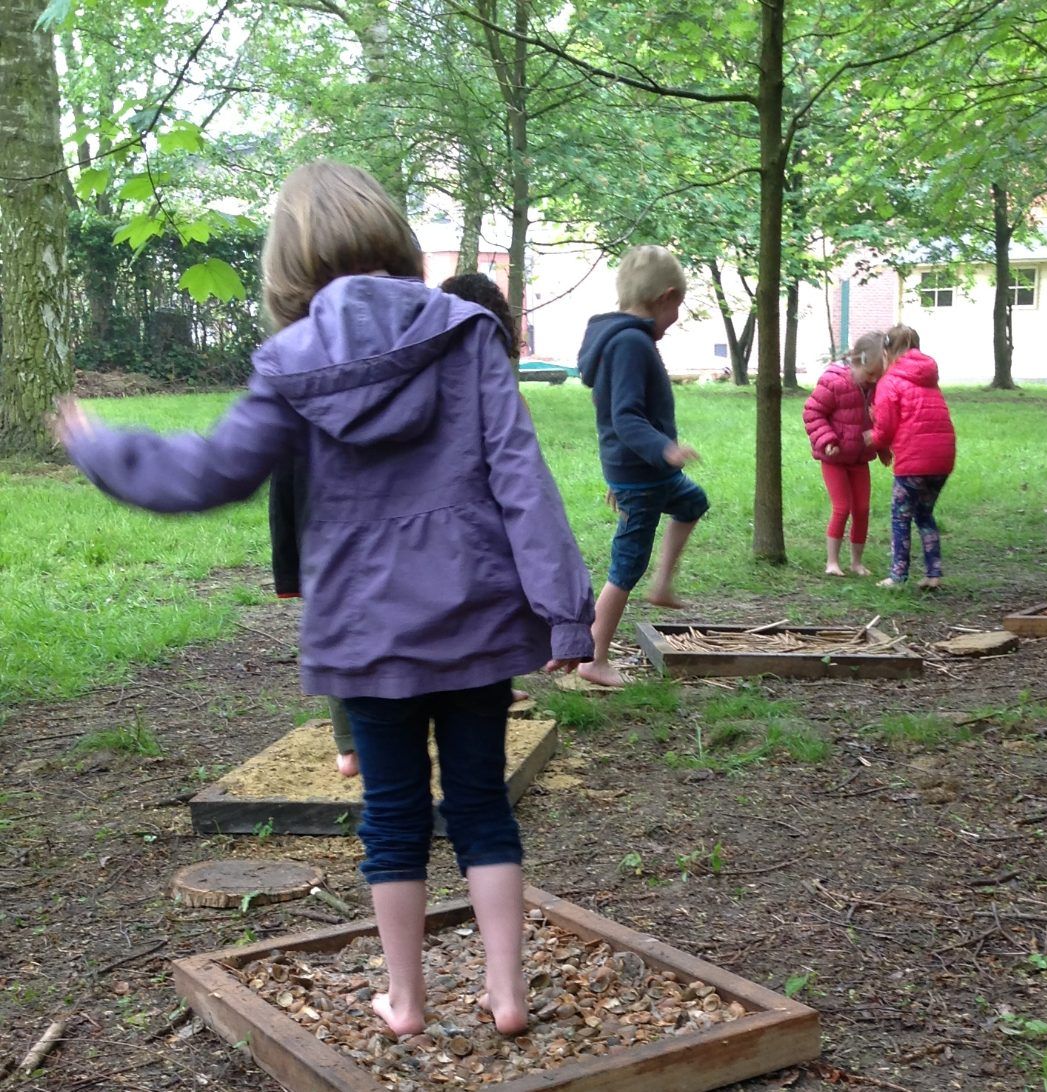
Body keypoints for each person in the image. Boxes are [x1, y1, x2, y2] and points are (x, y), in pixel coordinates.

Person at [54, 160, 596, 1040]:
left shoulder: (291, 362)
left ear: (286, 267)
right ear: (396, 241)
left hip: (366, 632)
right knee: (481, 803)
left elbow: (213, 470)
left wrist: (103, 447)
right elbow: (522, 480)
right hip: (476, 619)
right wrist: (565, 612)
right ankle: (506, 994)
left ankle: (408, 1002)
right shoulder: (466, 333)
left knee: (391, 816)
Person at [267, 271, 526, 779]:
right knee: (349, 622)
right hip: (334, 532)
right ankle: (352, 743)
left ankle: (432, 704)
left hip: (370, 537)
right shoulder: (323, 360)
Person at [575, 245, 708, 689]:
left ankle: (663, 585)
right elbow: (625, 415)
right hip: (644, 473)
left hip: (642, 473)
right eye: (678, 308)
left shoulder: (623, 338)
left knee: (692, 501)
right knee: (626, 565)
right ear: (666, 296)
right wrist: (664, 451)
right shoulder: (631, 342)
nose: (675, 318)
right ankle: (593, 657)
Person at [868, 324, 956, 589]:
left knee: (900, 516)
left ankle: (897, 576)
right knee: (925, 515)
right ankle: (933, 573)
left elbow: (885, 429)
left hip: (914, 460)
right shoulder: (928, 377)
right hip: (942, 458)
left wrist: (870, 438)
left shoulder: (890, 381)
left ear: (887, 352)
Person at [803, 333, 886, 576]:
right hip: (835, 459)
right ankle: (832, 561)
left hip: (860, 459)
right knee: (842, 507)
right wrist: (827, 440)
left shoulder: (875, 387)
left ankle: (857, 562)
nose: (873, 380)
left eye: (878, 376)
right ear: (857, 361)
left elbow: (878, 418)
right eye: (870, 374)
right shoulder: (834, 382)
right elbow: (813, 413)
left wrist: (881, 444)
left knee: (862, 509)